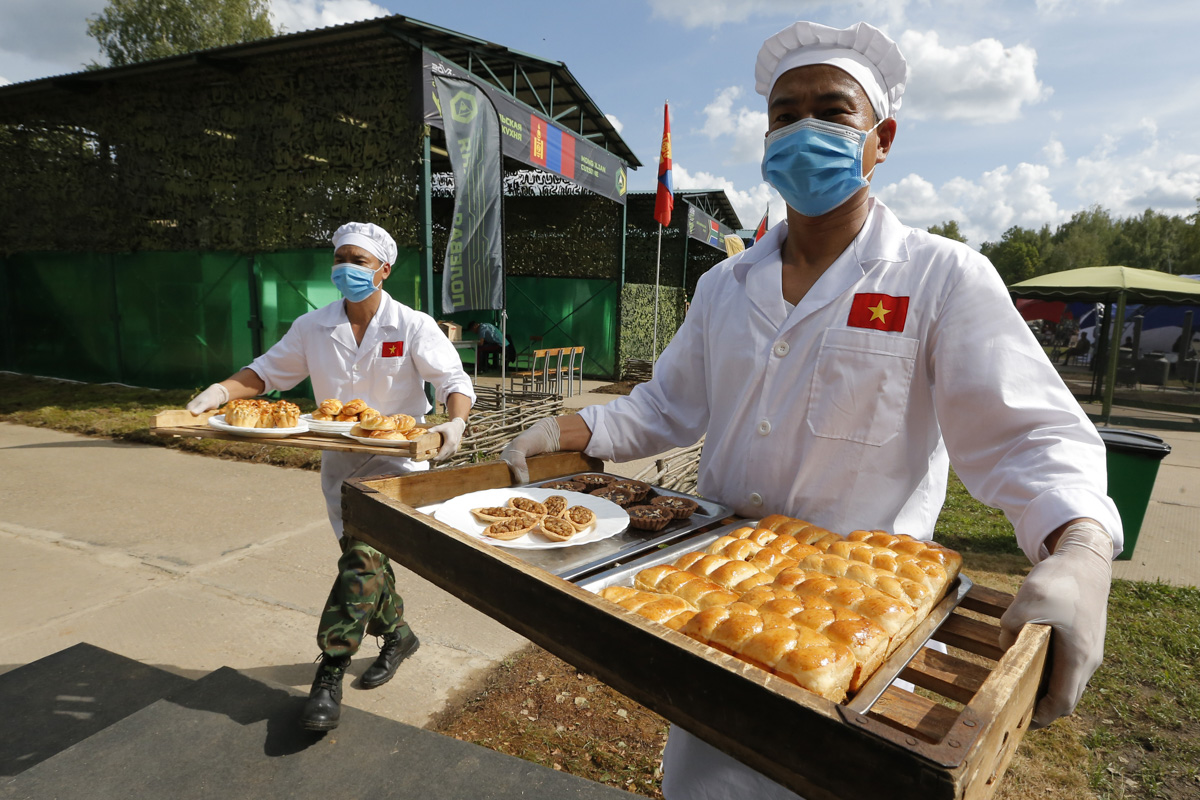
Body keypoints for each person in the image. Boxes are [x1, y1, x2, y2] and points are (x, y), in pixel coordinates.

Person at [500, 21, 1120, 800]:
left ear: (881, 137)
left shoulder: (940, 279)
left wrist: (1081, 547)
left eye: (832, 111)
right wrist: (574, 427)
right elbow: (668, 406)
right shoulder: (724, 286)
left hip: (856, 628)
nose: (803, 131)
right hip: (714, 607)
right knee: (705, 782)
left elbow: (1030, 433)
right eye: (785, 114)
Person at [187, 222, 476, 731]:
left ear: (384, 271)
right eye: (340, 257)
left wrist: (454, 421)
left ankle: (331, 671)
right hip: (339, 466)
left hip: (399, 463)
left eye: (358, 260)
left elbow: (454, 380)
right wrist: (220, 391)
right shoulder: (313, 327)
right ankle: (399, 634)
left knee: (363, 555)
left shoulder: (411, 326)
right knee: (361, 563)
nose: (346, 267)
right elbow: (265, 373)